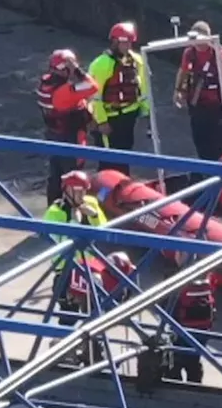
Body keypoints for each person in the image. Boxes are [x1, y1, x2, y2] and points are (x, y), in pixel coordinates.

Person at [44, 171, 108, 327]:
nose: (82, 195)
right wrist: (73, 223)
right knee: (68, 314)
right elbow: (55, 242)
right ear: (67, 190)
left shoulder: (91, 203)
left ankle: (94, 345)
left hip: (90, 268)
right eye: (78, 191)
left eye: (84, 191)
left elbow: (105, 232)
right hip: (66, 270)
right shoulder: (55, 212)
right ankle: (65, 341)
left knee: (96, 312)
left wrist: (93, 216)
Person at [37, 49, 100, 204]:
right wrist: (77, 70)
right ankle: (73, 211)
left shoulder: (45, 85)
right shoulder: (63, 92)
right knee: (74, 179)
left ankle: (52, 213)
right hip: (70, 139)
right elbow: (93, 86)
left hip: (53, 136)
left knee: (55, 177)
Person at [173, 21, 222, 162]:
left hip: (216, 106)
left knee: (218, 143)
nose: (197, 43)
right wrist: (178, 90)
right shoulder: (189, 54)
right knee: (200, 141)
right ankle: (206, 171)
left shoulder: (219, 54)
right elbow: (183, 71)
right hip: (196, 106)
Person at [88, 22, 150, 174]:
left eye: (130, 42)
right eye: (124, 42)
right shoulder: (101, 64)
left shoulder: (138, 61)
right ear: (115, 41)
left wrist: (147, 114)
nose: (127, 45)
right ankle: (107, 193)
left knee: (125, 156)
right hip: (110, 118)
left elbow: (143, 89)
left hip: (129, 116)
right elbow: (94, 96)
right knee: (108, 161)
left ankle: (123, 190)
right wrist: (101, 121)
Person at [164, 273, 217, 384]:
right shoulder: (207, 284)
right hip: (202, 332)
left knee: (174, 363)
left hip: (181, 332)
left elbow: (166, 310)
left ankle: (173, 388)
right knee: (194, 362)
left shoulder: (179, 283)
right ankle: (195, 388)